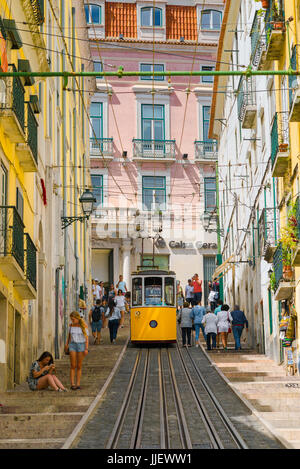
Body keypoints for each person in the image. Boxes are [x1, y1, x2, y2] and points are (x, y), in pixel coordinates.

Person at [65, 311, 89, 390]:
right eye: (71, 319)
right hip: (73, 345)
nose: (72, 320)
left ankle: (78, 384)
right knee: (73, 365)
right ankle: (72, 384)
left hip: (81, 345)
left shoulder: (84, 326)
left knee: (79, 366)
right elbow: (69, 336)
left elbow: (86, 338)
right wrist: (66, 345)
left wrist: (86, 348)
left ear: (77, 318)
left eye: (73, 319)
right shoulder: (71, 326)